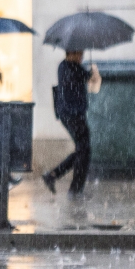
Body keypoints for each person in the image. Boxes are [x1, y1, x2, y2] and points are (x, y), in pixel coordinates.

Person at [42, 50, 98, 196]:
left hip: (69, 113)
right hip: (73, 114)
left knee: (82, 149)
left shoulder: (65, 66)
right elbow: (89, 79)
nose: (82, 56)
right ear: (72, 53)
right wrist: (92, 72)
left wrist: (88, 73)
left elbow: (85, 79)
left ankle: (54, 176)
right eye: (80, 53)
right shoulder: (70, 67)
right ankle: (75, 189)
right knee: (84, 150)